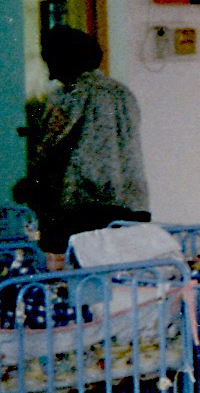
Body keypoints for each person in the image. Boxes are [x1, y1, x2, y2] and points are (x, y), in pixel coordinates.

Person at [25, 26, 150, 254]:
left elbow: (52, 146)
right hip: (130, 200)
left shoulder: (71, 96)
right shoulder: (121, 92)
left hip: (83, 204)